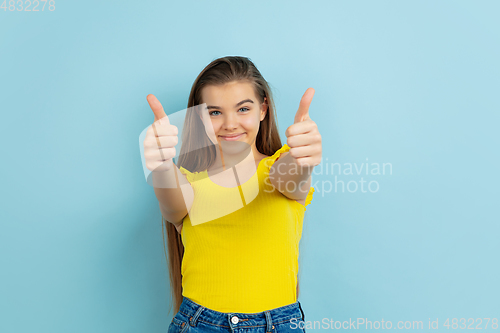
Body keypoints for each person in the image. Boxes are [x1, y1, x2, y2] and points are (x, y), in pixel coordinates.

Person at [142, 56, 322, 332]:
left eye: (243, 109)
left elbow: (292, 174)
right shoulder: (187, 183)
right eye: (215, 112)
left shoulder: (278, 170)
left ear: (263, 109)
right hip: (200, 324)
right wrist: (162, 164)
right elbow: (171, 201)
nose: (230, 124)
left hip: (280, 324)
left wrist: (303, 155)